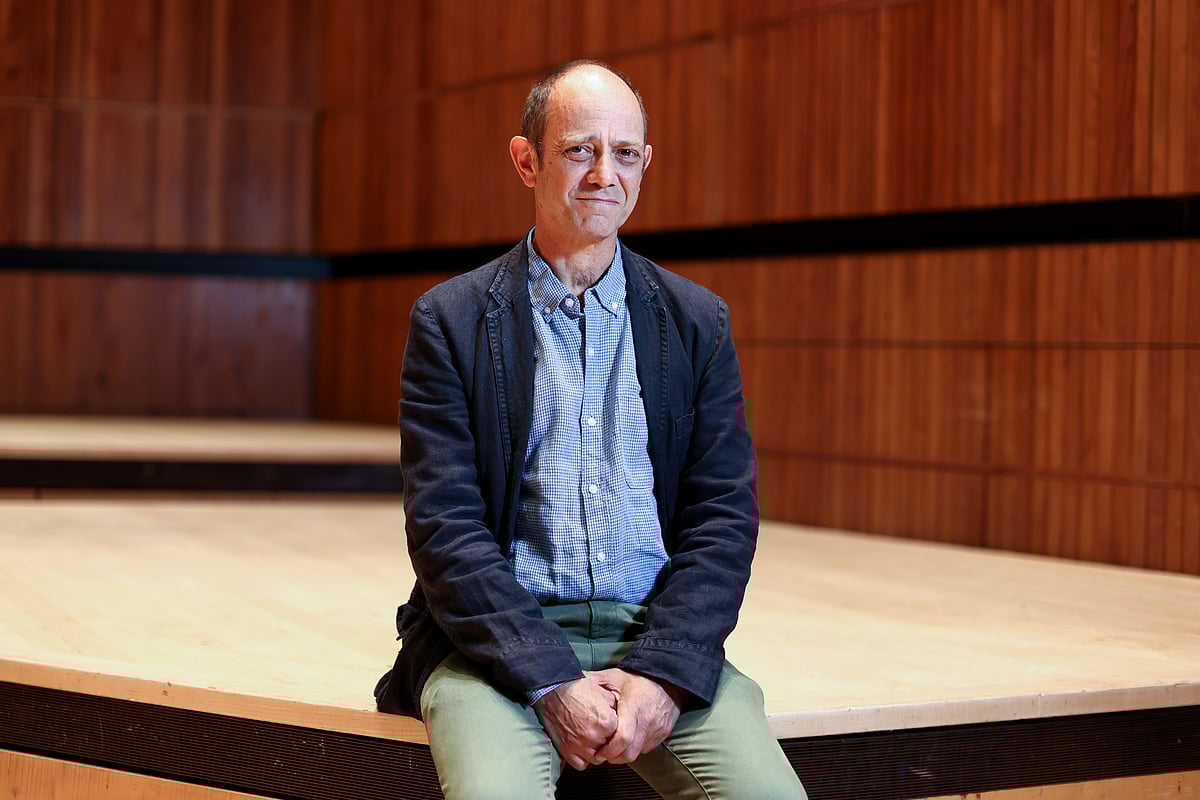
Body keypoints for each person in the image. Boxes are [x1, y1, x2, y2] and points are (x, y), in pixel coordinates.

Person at [375, 59, 806, 800]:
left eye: (625, 153)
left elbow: (723, 520)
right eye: (580, 150)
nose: (605, 173)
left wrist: (665, 673)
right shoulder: (449, 321)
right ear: (526, 160)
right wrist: (549, 680)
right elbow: (446, 529)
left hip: (653, 633)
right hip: (495, 652)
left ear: (645, 164)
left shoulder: (698, 323)